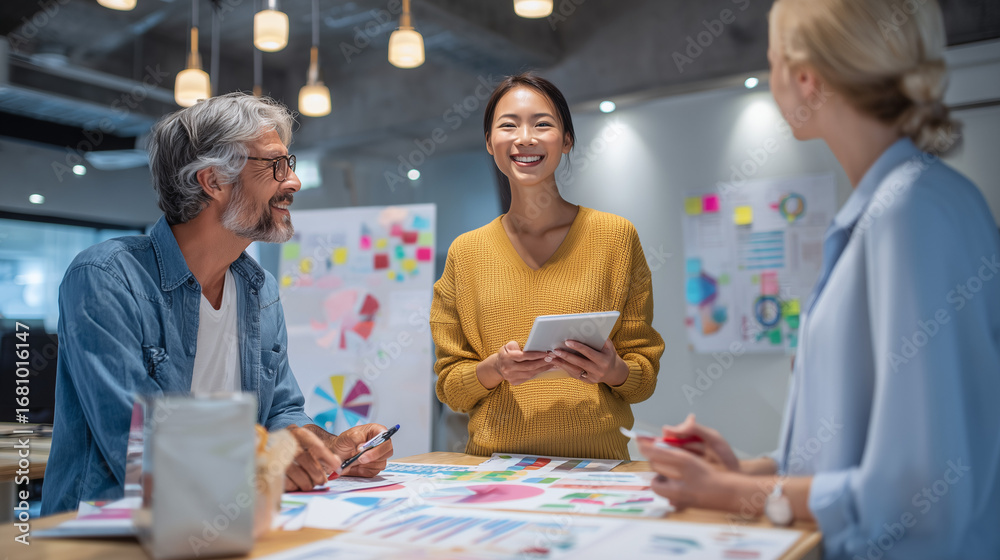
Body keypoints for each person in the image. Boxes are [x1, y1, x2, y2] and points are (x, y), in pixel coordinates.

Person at [639, 1, 1000, 558]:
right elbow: (867, 453)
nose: (773, 80)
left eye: (773, 62)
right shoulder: (905, 203)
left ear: (806, 79)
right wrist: (753, 469)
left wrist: (732, 491)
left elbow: (917, 494)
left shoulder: (908, 213)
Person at [41, 93, 393, 515]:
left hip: (229, 523)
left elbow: (281, 411)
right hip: (113, 532)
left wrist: (332, 449)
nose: (293, 182)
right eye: (275, 165)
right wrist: (268, 459)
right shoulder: (105, 278)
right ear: (213, 181)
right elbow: (137, 445)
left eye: (290, 164)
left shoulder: (258, 289)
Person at [431, 73, 665, 461]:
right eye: (508, 125)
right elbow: (451, 388)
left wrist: (611, 369)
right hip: (495, 470)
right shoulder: (465, 252)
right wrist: (496, 369)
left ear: (567, 139)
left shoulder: (616, 238)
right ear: (490, 143)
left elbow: (644, 378)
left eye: (543, 124)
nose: (526, 138)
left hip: (598, 468)